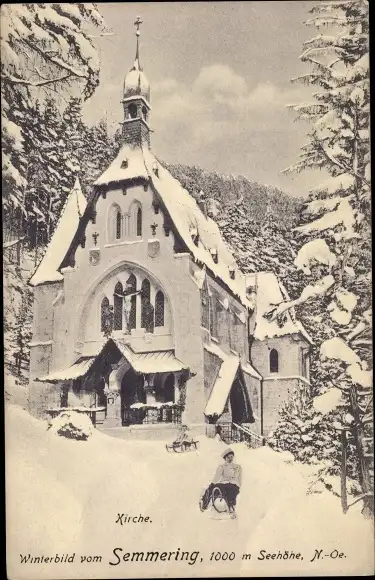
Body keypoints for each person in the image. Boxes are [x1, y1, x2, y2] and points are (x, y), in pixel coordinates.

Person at [200, 448, 242, 518]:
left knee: (231, 489)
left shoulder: (237, 467)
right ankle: (204, 503)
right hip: (224, 484)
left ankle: (231, 508)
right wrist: (212, 484)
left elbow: (240, 479)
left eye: (231, 457)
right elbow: (216, 477)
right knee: (213, 487)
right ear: (225, 458)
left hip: (234, 485)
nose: (230, 459)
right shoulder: (222, 467)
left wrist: (239, 486)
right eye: (228, 457)